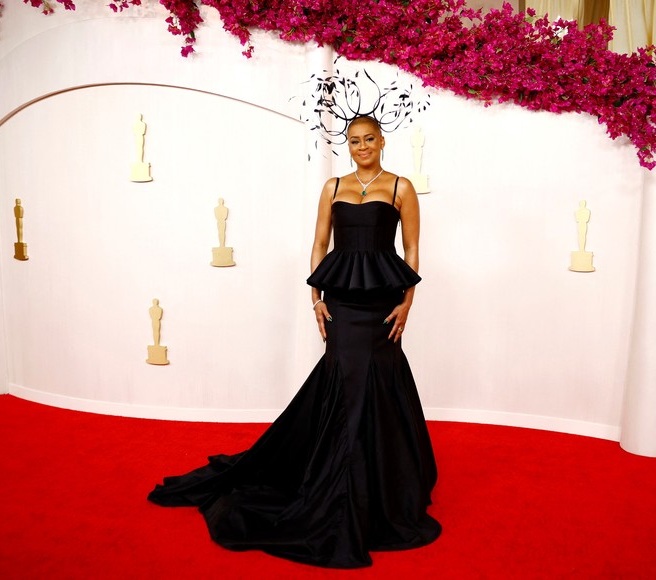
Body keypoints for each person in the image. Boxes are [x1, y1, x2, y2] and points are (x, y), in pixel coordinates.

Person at [148, 115, 441, 568]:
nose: (361, 147)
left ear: (382, 141)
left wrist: (408, 303)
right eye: (354, 141)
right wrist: (315, 296)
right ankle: (336, 478)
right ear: (349, 145)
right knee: (343, 382)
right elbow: (320, 242)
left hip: (383, 301)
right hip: (341, 301)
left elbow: (413, 250)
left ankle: (384, 485)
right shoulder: (332, 187)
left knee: (381, 383)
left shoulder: (401, 188)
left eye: (368, 140)